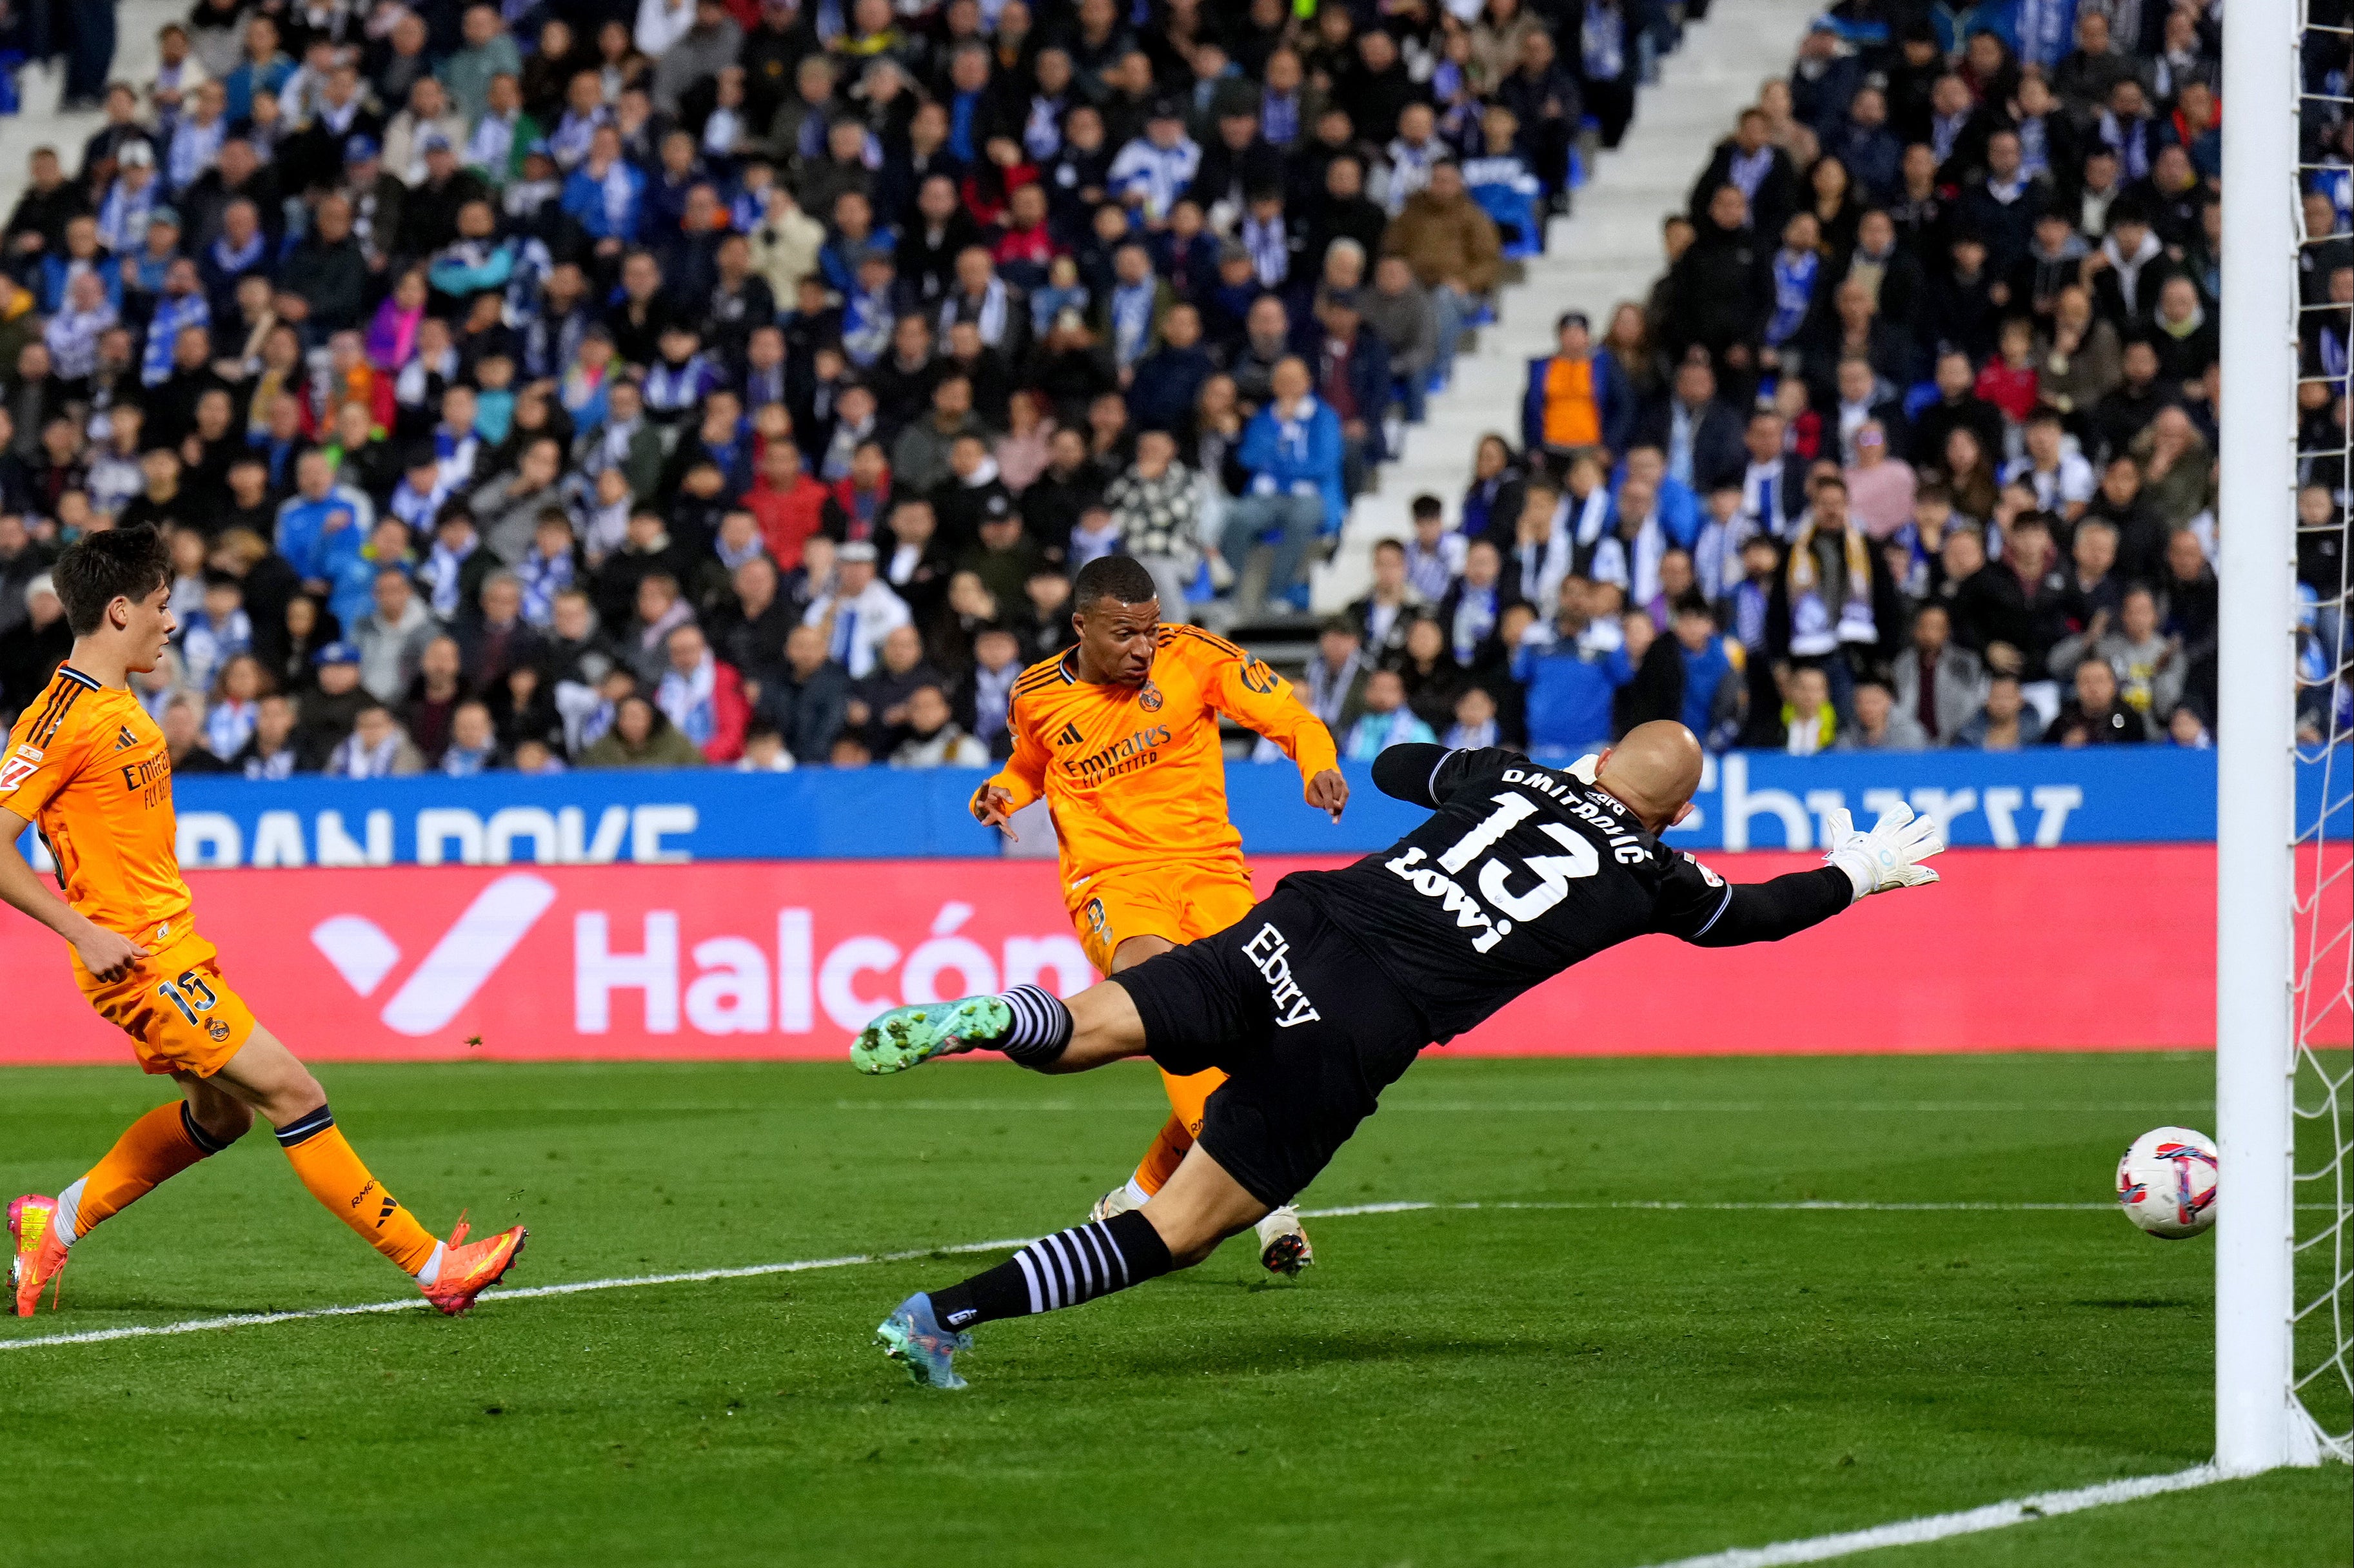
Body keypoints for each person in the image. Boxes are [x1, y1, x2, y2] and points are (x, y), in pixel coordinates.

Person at [854, 722, 1946, 1387]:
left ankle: (996, 1019)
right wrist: (1861, 870)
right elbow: (1756, 914)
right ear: (1681, 811)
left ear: (1603, 757)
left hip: (1300, 925)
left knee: (1097, 1026)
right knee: (1178, 1231)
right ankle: (940, 1318)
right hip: (1358, 1020)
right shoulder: (1658, 874)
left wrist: (1508, 769)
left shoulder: (1510, 776)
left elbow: (1390, 763)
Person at [1, 528, 525, 1318]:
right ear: (118, 611)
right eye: (160, 605)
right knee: (294, 1092)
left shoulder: (114, 700)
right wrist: (83, 930)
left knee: (223, 1113)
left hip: (171, 946)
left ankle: (55, 1222)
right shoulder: (60, 716)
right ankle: (435, 1266)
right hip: (140, 961)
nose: (170, 621)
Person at [968, 555, 1347, 1275]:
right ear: (1081, 626)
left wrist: (1316, 762)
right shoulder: (1035, 694)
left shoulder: (1192, 655)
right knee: (1166, 996)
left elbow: (1285, 712)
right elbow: (1029, 761)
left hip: (1210, 873)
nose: (1144, 647)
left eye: (1148, 630)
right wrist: (1001, 791)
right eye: (1124, 634)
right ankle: (1266, 1196)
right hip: (1112, 880)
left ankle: (1136, 1195)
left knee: (1250, 1043)